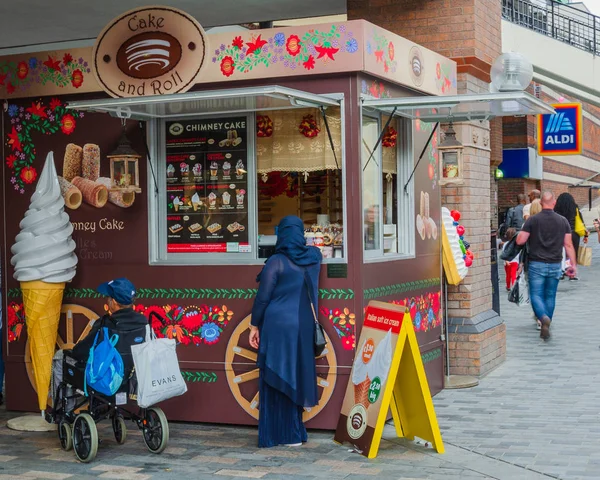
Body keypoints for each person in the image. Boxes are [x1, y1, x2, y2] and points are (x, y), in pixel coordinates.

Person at [249, 215, 322, 448]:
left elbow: (263, 298)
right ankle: (294, 432)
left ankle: (278, 434)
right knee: (296, 374)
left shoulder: (276, 261)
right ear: (300, 234)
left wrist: (253, 325)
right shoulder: (313, 257)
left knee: (276, 374)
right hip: (302, 326)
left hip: (277, 325)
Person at [517, 192, 577, 340]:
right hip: (555, 263)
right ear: (554, 203)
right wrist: (573, 265)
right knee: (550, 295)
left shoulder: (533, 220)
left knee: (536, 294)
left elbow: (520, 241)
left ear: (541, 203)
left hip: (536, 263)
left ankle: (543, 318)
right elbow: (568, 244)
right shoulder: (563, 221)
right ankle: (547, 321)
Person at [71, 278, 148, 364]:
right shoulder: (143, 322)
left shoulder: (104, 324)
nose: (107, 300)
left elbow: (80, 352)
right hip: (136, 374)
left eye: (108, 297)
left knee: (60, 356)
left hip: (108, 375)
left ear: (114, 301)